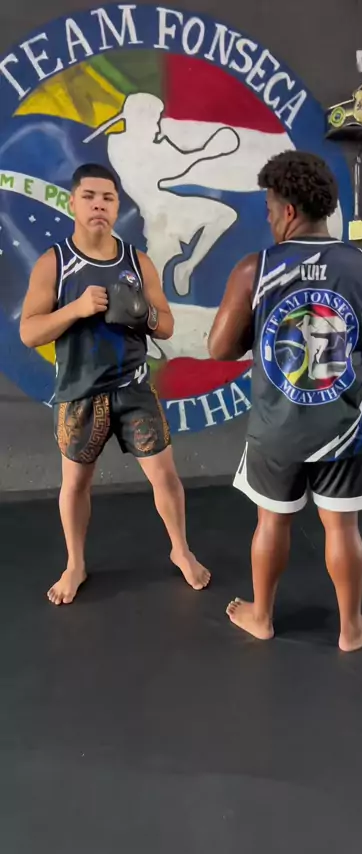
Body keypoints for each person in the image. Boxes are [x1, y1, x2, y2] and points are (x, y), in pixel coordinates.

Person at [208, 151, 362, 652]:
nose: (269, 218)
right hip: (343, 428)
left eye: (270, 208)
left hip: (278, 428)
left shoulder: (255, 269)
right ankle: (351, 629)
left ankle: (261, 617)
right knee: (343, 526)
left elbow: (219, 348)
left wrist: (260, 332)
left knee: (271, 521)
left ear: (288, 210)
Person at [20, 163, 210, 605]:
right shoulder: (54, 263)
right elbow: (29, 332)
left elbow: (166, 325)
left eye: (107, 198)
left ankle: (180, 550)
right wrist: (76, 309)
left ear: (117, 205)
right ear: (73, 202)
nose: (98, 205)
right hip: (79, 391)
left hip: (133, 387)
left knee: (165, 476)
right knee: (75, 484)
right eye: (89, 197)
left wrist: (144, 314)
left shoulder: (136, 261)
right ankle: (75, 564)